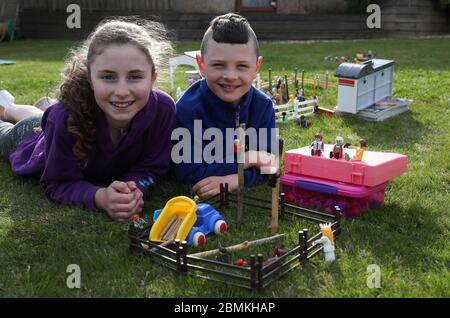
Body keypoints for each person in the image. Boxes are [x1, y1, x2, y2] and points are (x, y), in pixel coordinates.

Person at [0, 18, 175, 221]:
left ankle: (23, 107)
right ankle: (7, 108)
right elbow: (57, 182)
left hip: (53, 120)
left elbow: (151, 167)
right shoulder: (64, 117)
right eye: (108, 77)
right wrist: (99, 197)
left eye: (135, 76)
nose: (121, 91)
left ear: (152, 78)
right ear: (90, 79)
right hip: (32, 141)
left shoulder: (163, 109)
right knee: (26, 125)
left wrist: (133, 188)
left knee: (42, 116)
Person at [174, 13, 276, 198]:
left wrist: (236, 179)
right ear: (201, 64)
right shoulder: (188, 109)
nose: (230, 75)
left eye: (242, 66)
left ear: (257, 66)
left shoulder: (263, 106)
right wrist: (248, 159)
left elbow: (270, 165)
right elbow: (189, 173)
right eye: (219, 65)